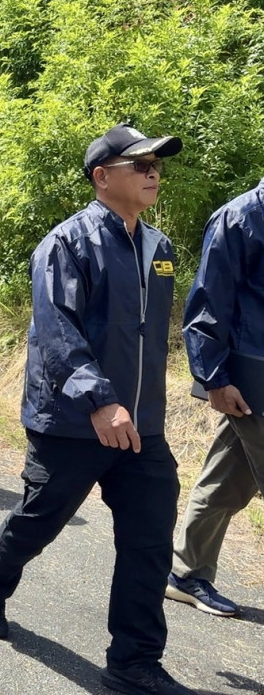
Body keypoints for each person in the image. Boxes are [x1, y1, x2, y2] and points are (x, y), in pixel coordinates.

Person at [0, 124, 194, 695]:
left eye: (157, 165)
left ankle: (134, 662)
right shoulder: (67, 244)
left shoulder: (160, 249)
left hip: (141, 427)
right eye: (139, 164)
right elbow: (56, 330)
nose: (153, 173)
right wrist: (100, 400)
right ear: (101, 177)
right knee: (39, 522)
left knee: (149, 541)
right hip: (73, 422)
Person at [166, 176, 264, 618]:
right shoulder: (241, 218)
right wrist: (214, 378)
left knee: (228, 481)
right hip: (250, 380)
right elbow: (208, 302)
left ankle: (186, 573)